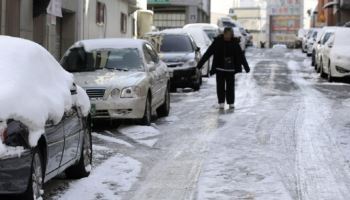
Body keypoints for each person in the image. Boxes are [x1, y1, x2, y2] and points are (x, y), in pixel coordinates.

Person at [197, 27, 250, 109]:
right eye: (226, 35)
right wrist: (199, 65)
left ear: (232, 35)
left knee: (230, 87)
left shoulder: (235, 43)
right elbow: (208, 53)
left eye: (229, 35)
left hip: (230, 69)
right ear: (224, 34)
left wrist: (246, 67)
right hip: (219, 68)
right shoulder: (217, 42)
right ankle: (221, 102)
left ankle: (231, 102)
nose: (227, 37)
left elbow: (241, 56)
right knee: (220, 86)